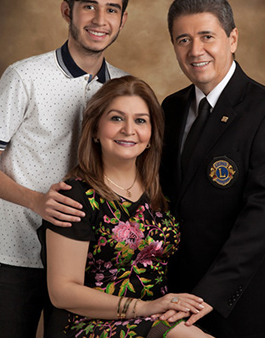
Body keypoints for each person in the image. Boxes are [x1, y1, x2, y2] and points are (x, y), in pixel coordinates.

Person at [0, 0, 130, 337]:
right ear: (66, 11)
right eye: (89, 7)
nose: (100, 20)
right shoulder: (24, 76)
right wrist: (36, 201)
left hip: (85, 260)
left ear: (123, 19)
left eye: (112, 9)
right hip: (17, 253)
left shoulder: (123, 86)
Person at [159, 0, 265, 337]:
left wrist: (209, 293)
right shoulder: (171, 108)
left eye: (207, 36)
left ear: (233, 38)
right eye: (183, 40)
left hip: (248, 296)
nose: (195, 51)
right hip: (181, 292)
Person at [40, 76, 213, 338]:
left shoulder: (161, 192)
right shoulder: (75, 195)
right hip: (87, 323)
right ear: (95, 130)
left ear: (152, 134)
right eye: (116, 118)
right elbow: (62, 291)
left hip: (156, 317)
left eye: (140, 120)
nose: (129, 129)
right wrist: (145, 308)